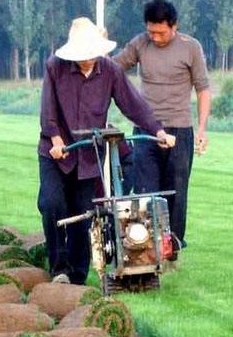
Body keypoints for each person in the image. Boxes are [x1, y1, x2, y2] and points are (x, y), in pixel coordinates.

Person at [37, 17, 175, 285]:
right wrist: (54, 139)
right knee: (53, 205)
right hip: (57, 152)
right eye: (82, 55)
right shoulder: (55, 67)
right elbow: (48, 109)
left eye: (91, 55)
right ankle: (59, 269)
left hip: (89, 155)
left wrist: (157, 131)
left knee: (84, 213)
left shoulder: (110, 71)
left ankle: (77, 275)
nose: (87, 60)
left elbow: (134, 105)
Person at [113, 0, 211, 259]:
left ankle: (171, 250)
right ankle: (145, 249)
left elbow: (203, 89)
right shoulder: (139, 44)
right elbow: (112, 68)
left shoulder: (191, 48)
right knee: (146, 193)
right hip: (146, 130)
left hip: (179, 131)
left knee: (176, 192)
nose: (155, 37)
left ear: (174, 26)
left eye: (161, 32)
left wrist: (202, 129)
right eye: (151, 32)